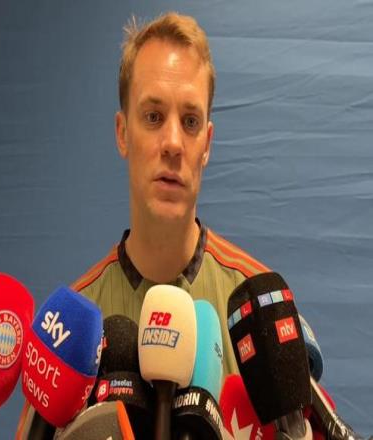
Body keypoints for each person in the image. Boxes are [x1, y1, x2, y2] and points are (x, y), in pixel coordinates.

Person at [15, 12, 270, 438]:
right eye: (153, 116)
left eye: (190, 122)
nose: (172, 143)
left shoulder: (256, 309)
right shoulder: (69, 331)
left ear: (207, 144)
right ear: (122, 133)